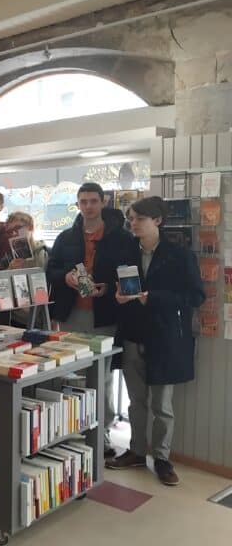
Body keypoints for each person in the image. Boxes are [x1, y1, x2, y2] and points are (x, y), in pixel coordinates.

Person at [106, 197, 204, 486]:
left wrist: (156, 298)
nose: (133, 224)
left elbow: (195, 296)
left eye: (140, 218)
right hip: (132, 335)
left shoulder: (179, 255)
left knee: (162, 405)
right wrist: (118, 298)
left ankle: (162, 459)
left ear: (158, 221)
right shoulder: (125, 252)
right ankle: (137, 451)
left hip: (165, 338)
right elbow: (118, 290)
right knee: (136, 401)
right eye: (131, 219)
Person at [46, 182, 132, 457]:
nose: (88, 206)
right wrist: (66, 277)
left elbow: (129, 272)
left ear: (104, 202)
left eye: (93, 201)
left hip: (105, 314)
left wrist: (108, 287)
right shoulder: (66, 237)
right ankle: (74, 430)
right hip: (71, 314)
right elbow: (50, 270)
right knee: (72, 374)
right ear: (78, 204)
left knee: (102, 377)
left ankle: (101, 433)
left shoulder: (122, 238)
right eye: (83, 201)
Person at [0, 212, 49, 328]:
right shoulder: (7, 258)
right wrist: (9, 270)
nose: (14, 234)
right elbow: (1, 290)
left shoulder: (47, 254)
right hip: (15, 319)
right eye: (10, 231)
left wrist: (53, 318)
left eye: (18, 228)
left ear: (31, 228)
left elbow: (52, 287)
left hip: (42, 319)